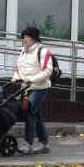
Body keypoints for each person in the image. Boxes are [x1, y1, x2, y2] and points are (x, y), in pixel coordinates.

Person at [12, 25, 53, 154]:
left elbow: (47, 71)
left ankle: (27, 143)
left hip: (40, 87)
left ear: (34, 38)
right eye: (23, 37)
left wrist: (31, 79)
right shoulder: (23, 51)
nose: (24, 39)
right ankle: (44, 144)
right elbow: (18, 68)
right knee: (37, 114)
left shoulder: (43, 51)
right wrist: (15, 77)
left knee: (30, 112)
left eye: (27, 37)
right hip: (26, 87)